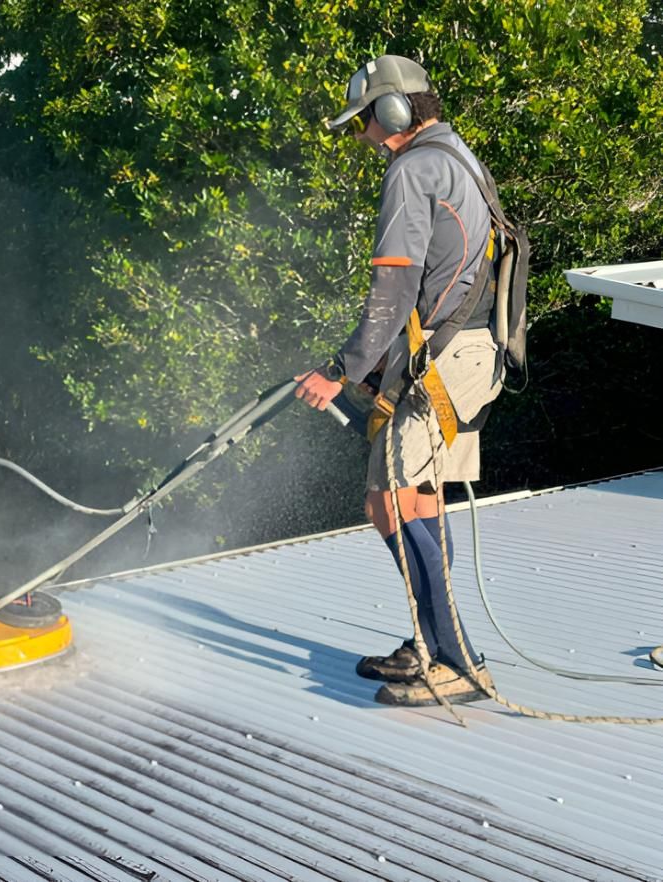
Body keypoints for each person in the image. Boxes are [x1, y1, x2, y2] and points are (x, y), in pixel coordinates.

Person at [295, 55, 503, 706]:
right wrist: (386, 365)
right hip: (467, 355)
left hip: (445, 363)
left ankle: (457, 662)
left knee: (385, 502)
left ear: (394, 111)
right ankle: (430, 642)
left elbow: (394, 284)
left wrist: (342, 369)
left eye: (365, 122)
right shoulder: (458, 154)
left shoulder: (412, 168)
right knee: (417, 501)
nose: (362, 136)